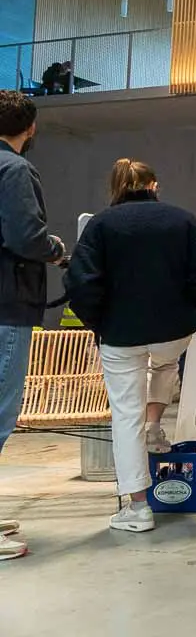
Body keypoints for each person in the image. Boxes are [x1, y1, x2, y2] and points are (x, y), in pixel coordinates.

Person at [65, 159, 196, 534]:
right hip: (173, 329)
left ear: (117, 188)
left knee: (124, 415)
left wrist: (96, 321)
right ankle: (155, 425)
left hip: (120, 333)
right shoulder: (182, 219)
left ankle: (138, 507)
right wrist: (189, 307)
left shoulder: (101, 224)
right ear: (154, 186)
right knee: (166, 365)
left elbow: (81, 282)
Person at [0, 91, 67, 560]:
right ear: (31, 128)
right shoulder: (15, 170)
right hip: (6, 305)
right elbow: (26, 236)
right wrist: (56, 248)